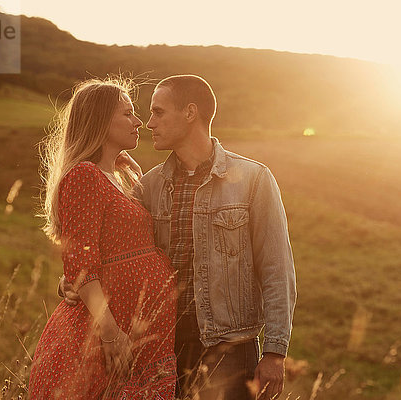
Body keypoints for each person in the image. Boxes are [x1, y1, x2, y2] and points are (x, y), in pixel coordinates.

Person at [61, 74, 296, 400]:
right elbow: (117, 248)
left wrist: (274, 352)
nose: (148, 122)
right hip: (163, 348)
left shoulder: (254, 180)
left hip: (230, 348)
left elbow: (277, 270)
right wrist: (73, 278)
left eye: (158, 112)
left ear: (190, 113)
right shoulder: (148, 186)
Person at [29, 79, 177, 399]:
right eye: (128, 113)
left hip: (138, 330)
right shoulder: (85, 174)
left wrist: (124, 163)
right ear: (99, 121)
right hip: (108, 336)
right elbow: (81, 259)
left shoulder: (115, 177)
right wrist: (109, 332)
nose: (138, 121)